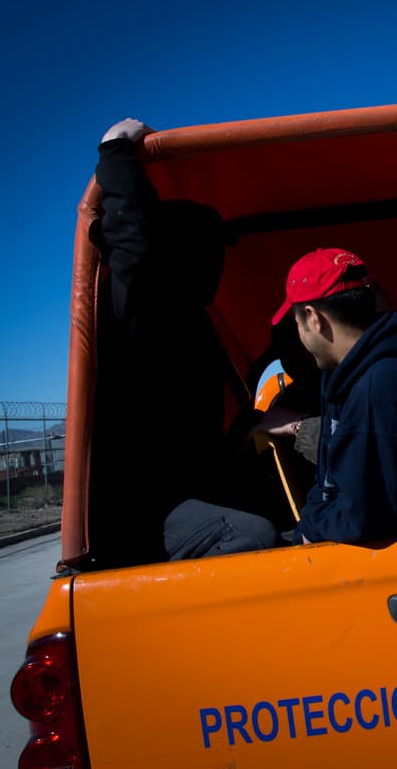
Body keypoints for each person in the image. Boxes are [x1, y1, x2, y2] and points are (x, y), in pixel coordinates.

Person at [92, 117, 282, 564]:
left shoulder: (194, 323)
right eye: (205, 252)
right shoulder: (145, 309)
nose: (213, 267)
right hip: (151, 504)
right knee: (254, 533)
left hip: (194, 480)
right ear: (181, 255)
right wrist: (116, 151)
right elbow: (133, 244)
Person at [272, 247, 397, 544]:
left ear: (313, 318)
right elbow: (326, 484)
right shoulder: (345, 377)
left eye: (297, 324)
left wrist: (310, 532)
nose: (300, 338)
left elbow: (368, 520)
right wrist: (309, 527)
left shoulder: (382, 389)